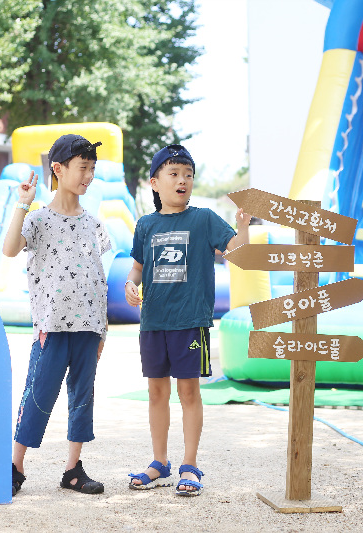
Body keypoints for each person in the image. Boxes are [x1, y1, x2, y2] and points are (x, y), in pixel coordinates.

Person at [124, 144, 250, 496]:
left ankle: (190, 465)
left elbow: (238, 254)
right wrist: (130, 285)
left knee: (189, 391)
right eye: (174, 173)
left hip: (190, 321)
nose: (183, 180)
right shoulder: (145, 225)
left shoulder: (204, 218)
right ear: (154, 182)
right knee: (156, 392)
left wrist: (243, 227)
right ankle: (159, 462)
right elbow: (136, 269)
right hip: (153, 323)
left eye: (188, 175)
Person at [3, 134, 111, 496]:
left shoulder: (94, 223)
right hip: (51, 326)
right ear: (58, 169)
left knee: (82, 398)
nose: (88, 176)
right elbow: (9, 249)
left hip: (89, 328)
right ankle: (15, 466)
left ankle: (73, 470)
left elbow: (98, 276)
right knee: (37, 394)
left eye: (92, 168)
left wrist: (103, 329)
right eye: (83, 167)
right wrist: (23, 204)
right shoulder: (38, 220)